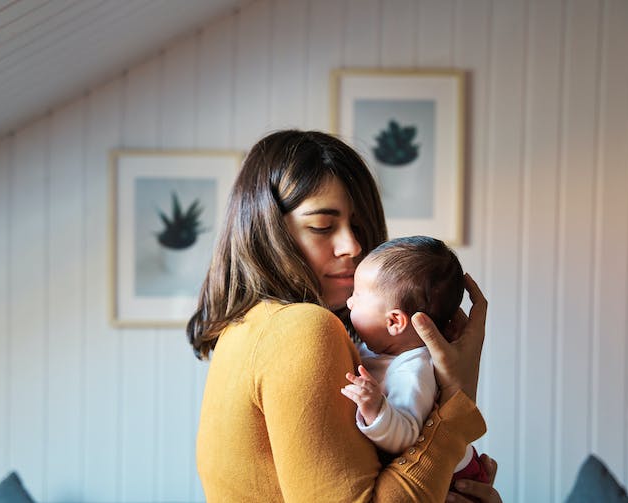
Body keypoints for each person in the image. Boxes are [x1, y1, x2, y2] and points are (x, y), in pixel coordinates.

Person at [187, 130, 501, 502]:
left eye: (360, 226)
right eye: (322, 226)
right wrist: (455, 403)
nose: (352, 245)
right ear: (268, 231)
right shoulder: (301, 328)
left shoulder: (247, 329)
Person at [341, 236, 490, 492]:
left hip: (453, 480)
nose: (349, 302)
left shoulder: (413, 370)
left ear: (394, 322)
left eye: (357, 296)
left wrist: (376, 408)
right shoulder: (378, 349)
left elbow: (406, 436)